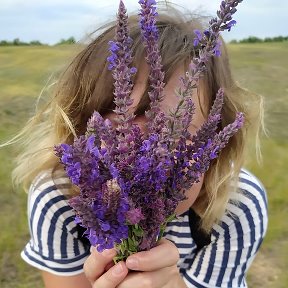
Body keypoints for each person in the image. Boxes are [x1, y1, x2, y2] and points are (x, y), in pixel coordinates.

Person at [12, 4, 267, 288]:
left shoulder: (239, 206)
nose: (146, 156)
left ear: (215, 145)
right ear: (80, 134)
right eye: (117, 134)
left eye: (176, 138)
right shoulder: (56, 198)